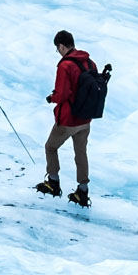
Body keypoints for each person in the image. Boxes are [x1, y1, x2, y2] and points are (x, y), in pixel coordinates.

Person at [37, 30, 95, 206]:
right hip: (85, 119)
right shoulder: (89, 62)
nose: (59, 52)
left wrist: (51, 98)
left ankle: (53, 182)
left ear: (61, 46)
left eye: (58, 49)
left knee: (50, 147)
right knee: (81, 153)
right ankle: (83, 191)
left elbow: (62, 94)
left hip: (69, 119)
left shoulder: (65, 66)